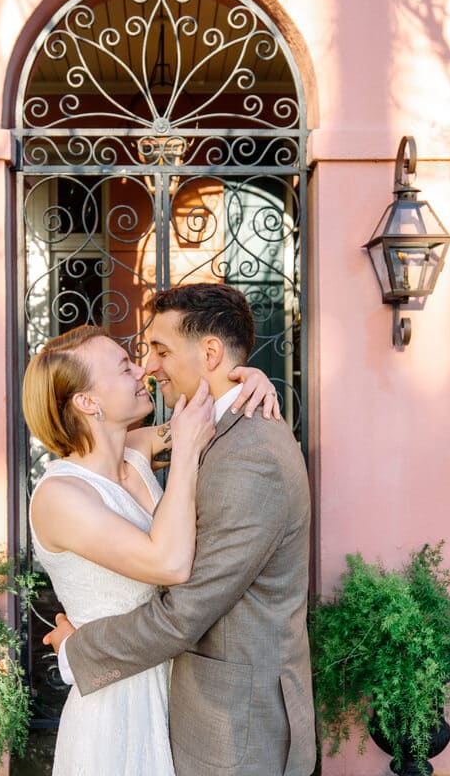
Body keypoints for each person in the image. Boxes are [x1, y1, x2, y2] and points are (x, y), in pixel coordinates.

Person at [47, 283, 315, 776]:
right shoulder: (199, 431)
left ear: (209, 351)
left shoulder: (250, 453)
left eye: (158, 350)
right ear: (86, 401)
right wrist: (238, 383)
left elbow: (183, 611)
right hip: (158, 699)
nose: (147, 366)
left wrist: (75, 649)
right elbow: (173, 435)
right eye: (132, 361)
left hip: (235, 723)